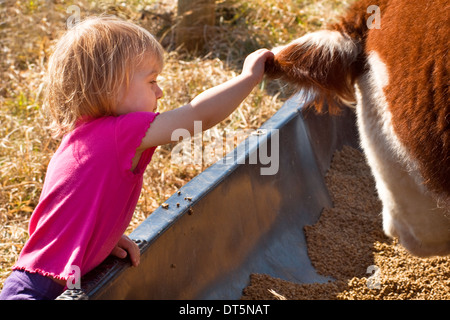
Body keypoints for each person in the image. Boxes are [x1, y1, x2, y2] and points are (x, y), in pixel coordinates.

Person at [0, 16, 273, 300]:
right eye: (152, 81)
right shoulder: (119, 132)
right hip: (40, 292)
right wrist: (248, 77)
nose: (160, 92)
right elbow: (197, 116)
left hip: (37, 283)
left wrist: (101, 239)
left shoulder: (84, 135)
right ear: (109, 86)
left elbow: (69, 209)